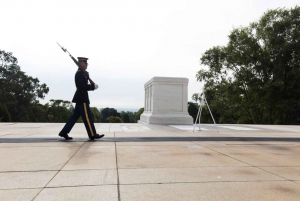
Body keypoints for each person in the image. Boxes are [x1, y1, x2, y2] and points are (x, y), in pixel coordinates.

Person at [59, 57, 104, 140]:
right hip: (82, 98)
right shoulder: (79, 74)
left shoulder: (82, 73)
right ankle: (92, 134)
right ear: (81, 64)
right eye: (85, 63)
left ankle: (64, 132)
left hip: (80, 97)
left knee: (74, 117)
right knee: (87, 117)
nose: (87, 65)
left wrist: (88, 78)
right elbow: (81, 87)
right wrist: (92, 87)